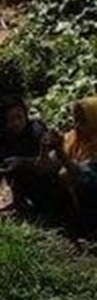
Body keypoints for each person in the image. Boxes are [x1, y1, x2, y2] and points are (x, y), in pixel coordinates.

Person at [0, 95, 61, 214]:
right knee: (7, 164)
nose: (17, 123)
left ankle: (25, 205)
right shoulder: (3, 137)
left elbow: (48, 164)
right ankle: (18, 201)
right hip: (26, 185)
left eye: (20, 117)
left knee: (15, 164)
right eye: (10, 119)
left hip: (47, 187)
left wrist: (22, 162)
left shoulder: (36, 129)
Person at [57, 97, 97, 229]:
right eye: (76, 120)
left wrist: (61, 154)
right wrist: (44, 150)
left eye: (83, 121)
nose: (77, 125)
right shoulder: (74, 138)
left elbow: (83, 173)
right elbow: (46, 165)